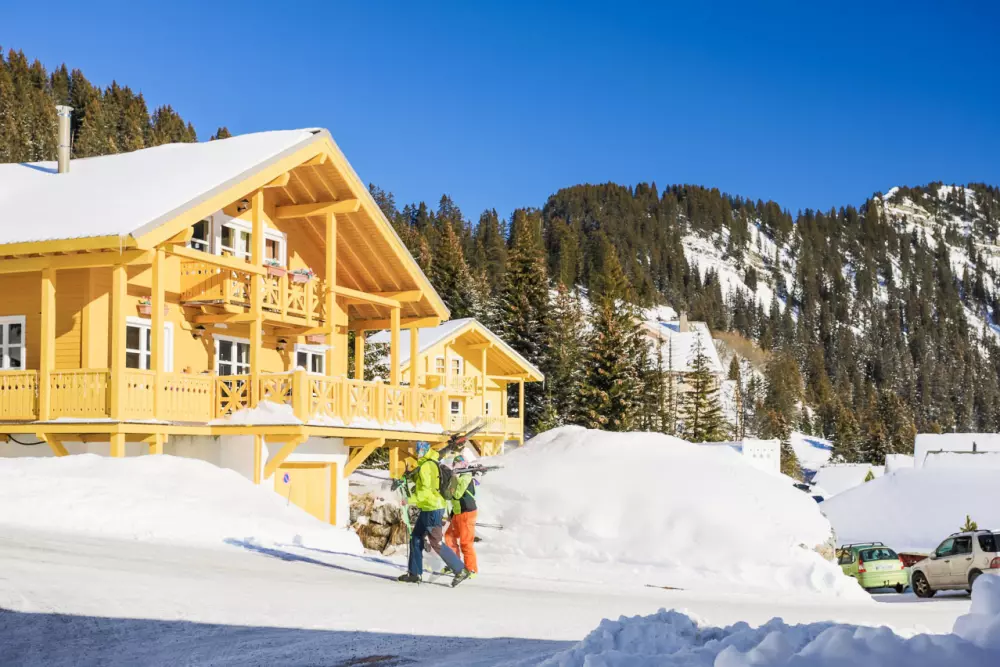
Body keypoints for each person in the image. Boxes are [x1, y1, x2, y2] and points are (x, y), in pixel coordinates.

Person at [397, 441, 472, 587]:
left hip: (433, 508)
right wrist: (409, 476)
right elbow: (427, 483)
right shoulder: (429, 462)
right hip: (428, 507)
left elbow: (426, 491)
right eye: (416, 450)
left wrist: (409, 499)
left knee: (435, 542)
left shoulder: (427, 466)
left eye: (419, 450)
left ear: (424, 451)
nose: (417, 453)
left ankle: (461, 570)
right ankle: (414, 573)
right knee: (416, 537)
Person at [444, 454, 478, 575]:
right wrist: (452, 513)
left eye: (456, 464)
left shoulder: (466, 477)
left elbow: (457, 494)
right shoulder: (460, 476)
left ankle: (471, 569)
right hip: (458, 512)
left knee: (465, 542)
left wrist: (454, 478)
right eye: (454, 464)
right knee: (449, 536)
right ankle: (456, 564)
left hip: (467, 512)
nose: (454, 466)